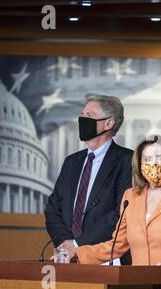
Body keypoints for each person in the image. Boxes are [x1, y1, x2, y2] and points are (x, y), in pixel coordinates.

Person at [61, 135, 161, 283]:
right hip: (140, 285)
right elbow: (117, 245)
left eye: (160, 158)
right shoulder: (130, 196)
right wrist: (77, 253)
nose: (154, 164)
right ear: (139, 164)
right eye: (148, 159)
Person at [45, 93, 133, 265]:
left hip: (105, 258)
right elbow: (52, 209)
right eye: (82, 114)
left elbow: (120, 214)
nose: (82, 119)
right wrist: (66, 244)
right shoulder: (71, 162)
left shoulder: (127, 161)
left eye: (89, 116)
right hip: (66, 257)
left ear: (109, 123)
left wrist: (78, 245)